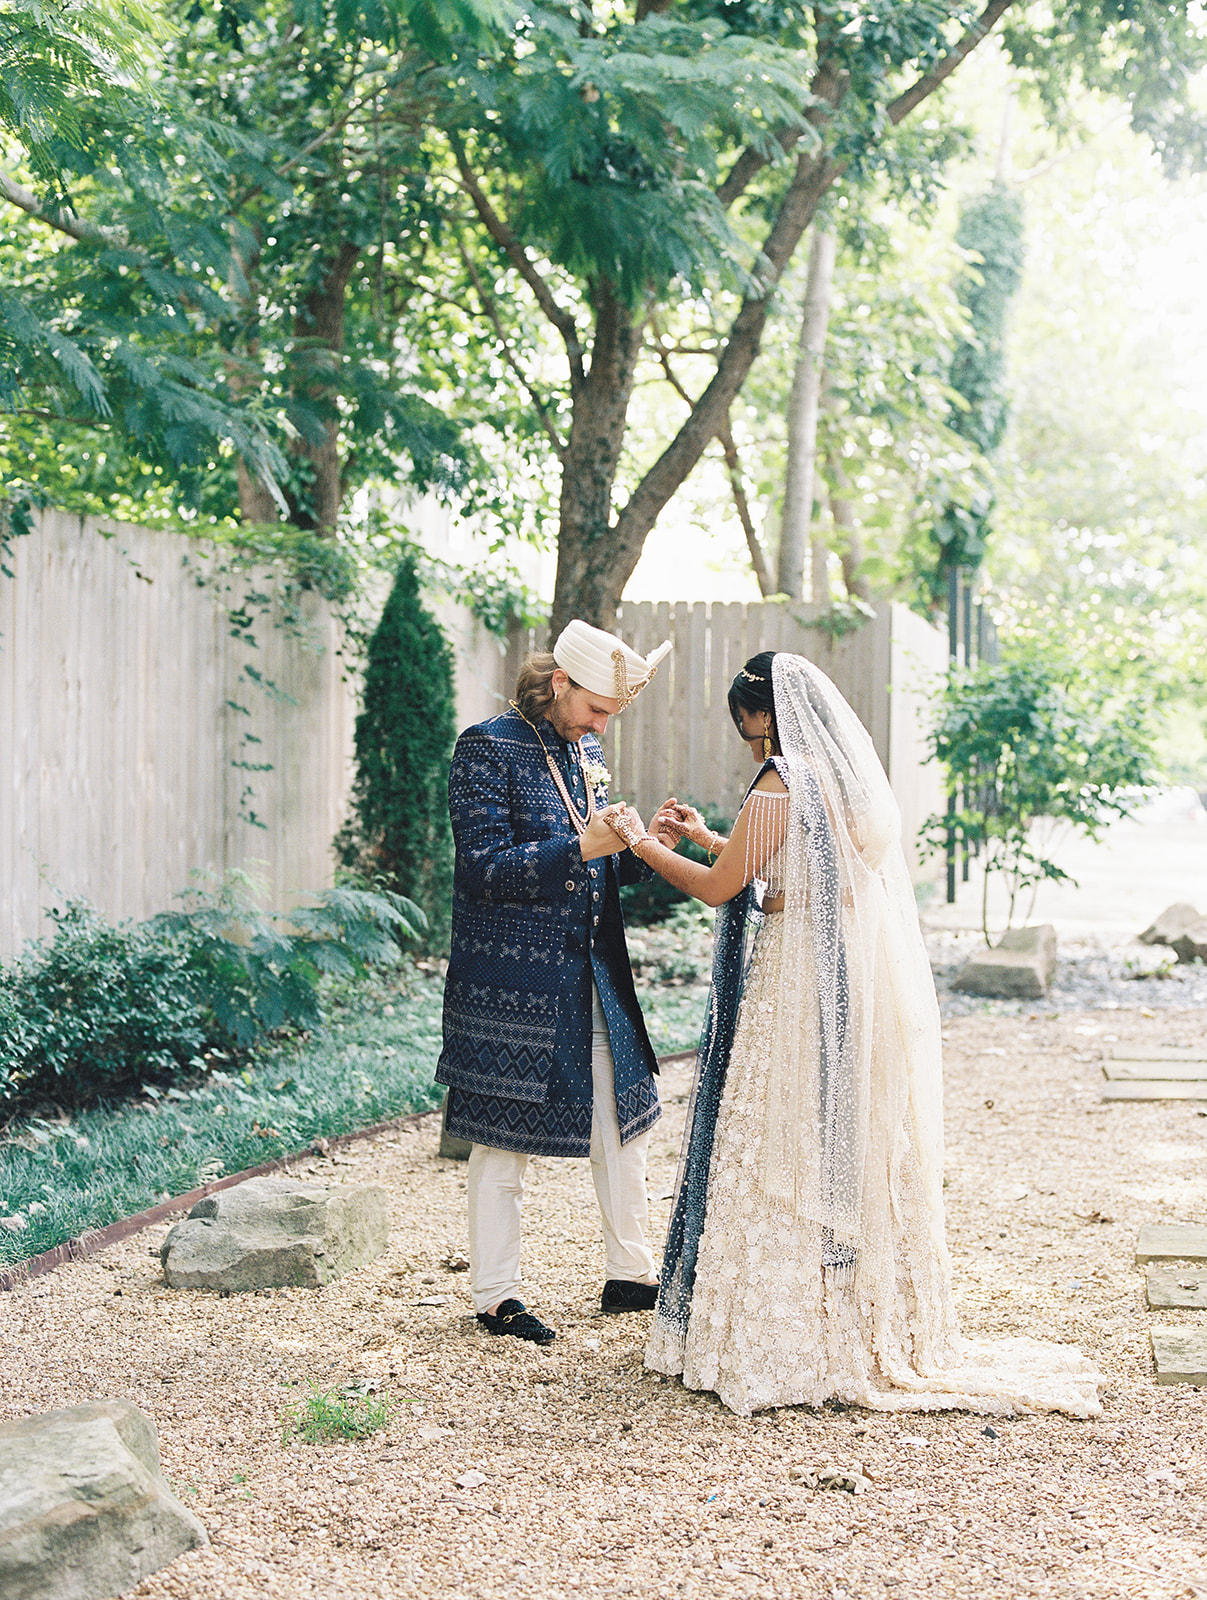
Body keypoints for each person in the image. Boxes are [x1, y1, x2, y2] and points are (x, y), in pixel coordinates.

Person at [604, 651, 1103, 1419]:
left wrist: (640, 839)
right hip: (837, 970)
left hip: (793, 981)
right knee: (830, 1131)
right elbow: (789, 871)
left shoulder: (781, 779)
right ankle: (859, 1318)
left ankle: (782, 1331)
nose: (747, 739)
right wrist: (707, 833)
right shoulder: (836, 781)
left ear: (764, 713)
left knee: (780, 1132)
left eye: (746, 723)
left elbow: (721, 890)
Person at [436, 620, 675, 1346]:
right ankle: (495, 1298)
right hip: (510, 980)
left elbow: (595, 862)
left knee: (622, 1116)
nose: (603, 725)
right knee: (498, 1142)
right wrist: (582, 844)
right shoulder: (486, 747)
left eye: (610, 714)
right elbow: (482, 868)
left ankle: (628, 1275)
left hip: (593, 966)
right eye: (596, 708)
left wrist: (644, 845)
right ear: (558, 684)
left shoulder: (584, 746)